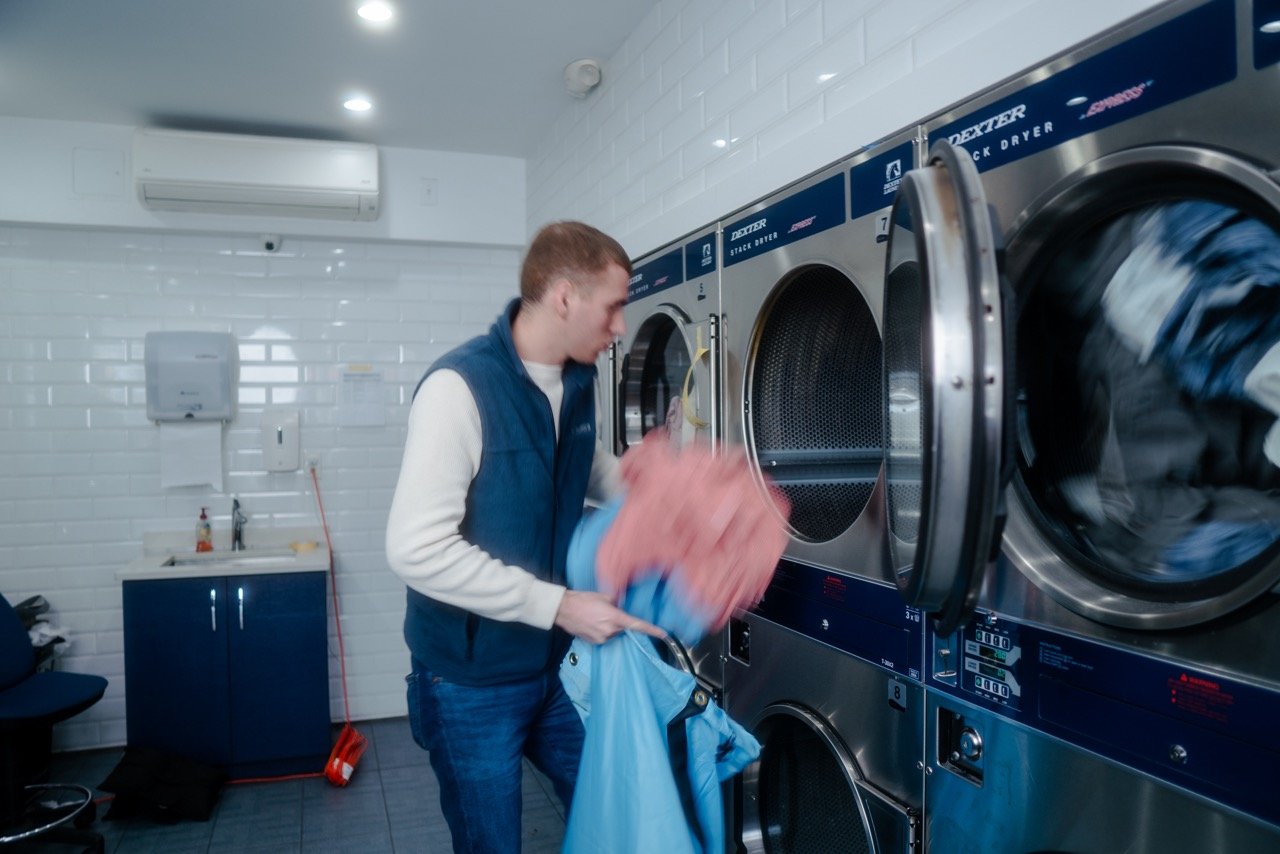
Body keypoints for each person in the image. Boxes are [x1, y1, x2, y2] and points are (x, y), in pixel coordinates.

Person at [386, 220, 664, 853]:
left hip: (552, 665)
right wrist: (560, 604)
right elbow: (414, 548)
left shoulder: (578, 382)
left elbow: (583, 463)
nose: (621, 326)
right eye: (615, 306)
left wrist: (659, 497)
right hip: (467, 682)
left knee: (616, 810)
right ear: (564, 296)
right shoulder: (459, 388)